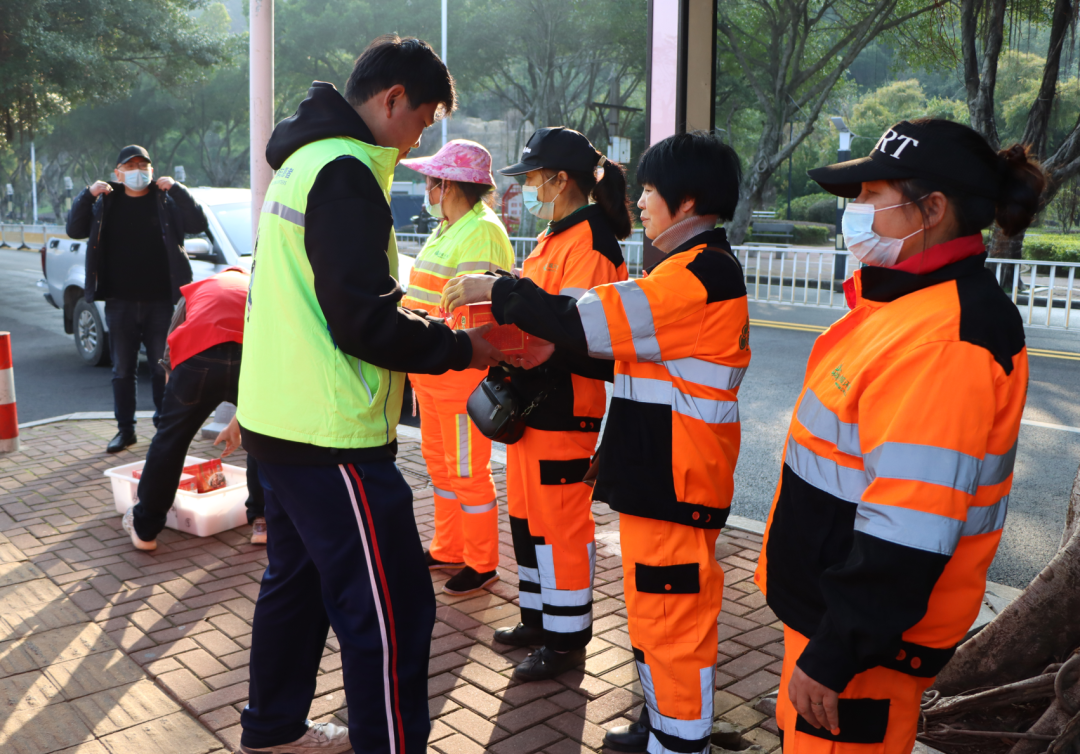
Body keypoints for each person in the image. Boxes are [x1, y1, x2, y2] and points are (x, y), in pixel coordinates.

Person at [234, 36, 505, 754]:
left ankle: (272, 727)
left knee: (293, 584)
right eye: (422, 119)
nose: (420, 136)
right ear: (391, 100)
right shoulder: (347, 172)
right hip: (331, 436)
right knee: (391, 609)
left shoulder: (303, 162)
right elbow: (363, 321)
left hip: (278, 421)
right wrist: (460, 347)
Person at [443, 131, 750, 753]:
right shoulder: (687, 270)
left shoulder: (698, 275)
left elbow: (585, 322)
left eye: (651, 190)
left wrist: (500, 292)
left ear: (687, 202)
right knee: (653, 614)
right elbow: (622, 359)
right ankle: (662, 722)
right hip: (660, 474)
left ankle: (677, 741)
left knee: (672, 620)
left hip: (676, 480)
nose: (639, 200)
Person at [753, 119, 1041, 753]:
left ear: (932, 209)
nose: (854, 213)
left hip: (862, 653)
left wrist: (835, 653)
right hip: (842, 625)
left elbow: (909, 526)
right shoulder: (912, 305)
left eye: (870, 196)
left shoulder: (944, 340)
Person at [448, 126, 632, 682]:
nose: (526, 188)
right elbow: (540, 301)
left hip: (566, 404)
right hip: (536, 403)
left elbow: (571, 328)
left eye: (531, 178)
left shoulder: (593, 244)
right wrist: (505, 282)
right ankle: (538, 618)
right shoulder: (561, 234)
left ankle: (566, 639)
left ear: (561, 179)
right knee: (528, 521)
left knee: (561, 528)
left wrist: (499, 293)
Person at [399, 140, 516, 596]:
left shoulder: (482, 231)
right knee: (442, 468)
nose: (426, 188)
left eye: (430, 180)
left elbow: (479, 315)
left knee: (466, 471)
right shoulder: (451, 226)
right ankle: (449, 547)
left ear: (446, 184)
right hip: (432, 372)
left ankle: (482, 562)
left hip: (459, 375)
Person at [66, 145, 207, 453]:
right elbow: (74, 229)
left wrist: (179, 190)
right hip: (119, 301)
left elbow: (198, 224)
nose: (137, 171)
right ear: (118, 173)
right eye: (129, 166)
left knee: (161, 368)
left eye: (143, 165)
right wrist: (87, 195)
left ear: (152, 171)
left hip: (160, 301)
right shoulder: (105, 202)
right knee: (122, 370)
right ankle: (125, 430)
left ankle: (163, 427)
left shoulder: (165, 199)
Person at [120, 268, 266, 552]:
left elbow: (168, 355)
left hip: (199, 357)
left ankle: (145, 529)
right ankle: (263, 521)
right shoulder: (257, 287)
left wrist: (171, 416)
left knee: (170, 442)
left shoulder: (198, 289)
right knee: (262, 437)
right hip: (249, 359)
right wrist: (244, 421)